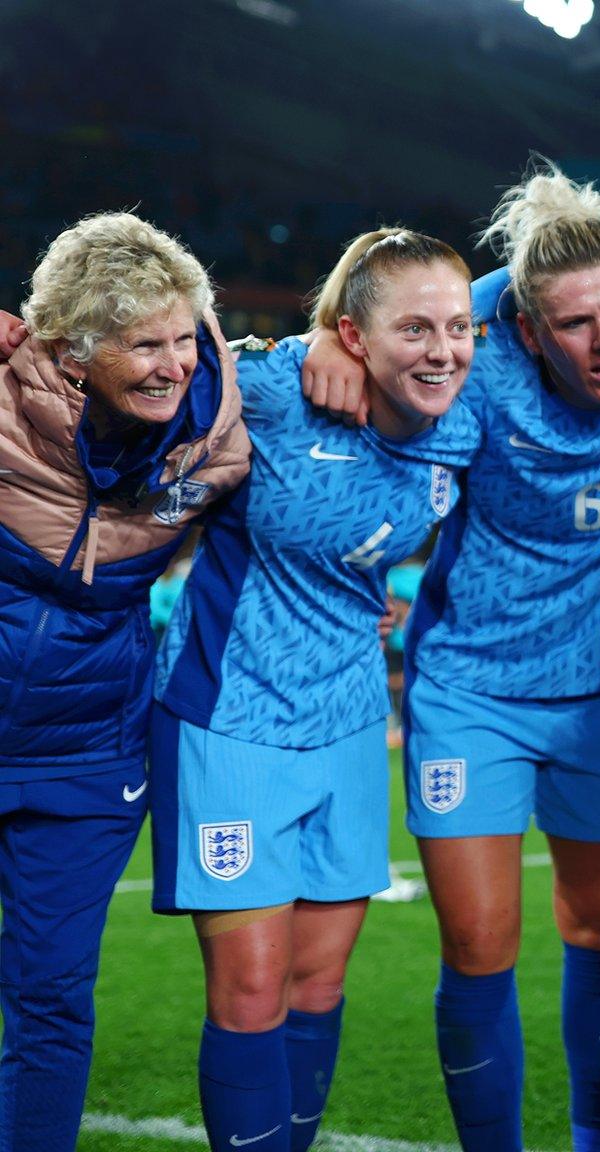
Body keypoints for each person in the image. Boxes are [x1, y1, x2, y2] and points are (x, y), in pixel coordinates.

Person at [298, 165, 600, 1152]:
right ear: (527, 327)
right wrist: (326, 331)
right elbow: (416, 307)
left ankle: (596, 1143)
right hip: (470, 696)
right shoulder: (476, 361)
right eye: (573, 324)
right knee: (478, 948)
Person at [149, 228, 478, 1152]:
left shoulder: (465, 413)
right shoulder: (275, 394)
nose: (443, 349)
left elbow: (531, 297)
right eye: (411, 328)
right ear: (354, 333)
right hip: (232, 721)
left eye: (457, 327)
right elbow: (176, 341)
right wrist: (298, 346)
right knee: (251, 991)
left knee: (318, 987)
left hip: (349, 725)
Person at [0, 213, 248, 1151]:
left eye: (183, 338)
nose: (173, 364)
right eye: (145, 344)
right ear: (71, 354)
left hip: (87, 763)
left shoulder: (220, 429)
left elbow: (391, 336)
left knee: (52, 998)